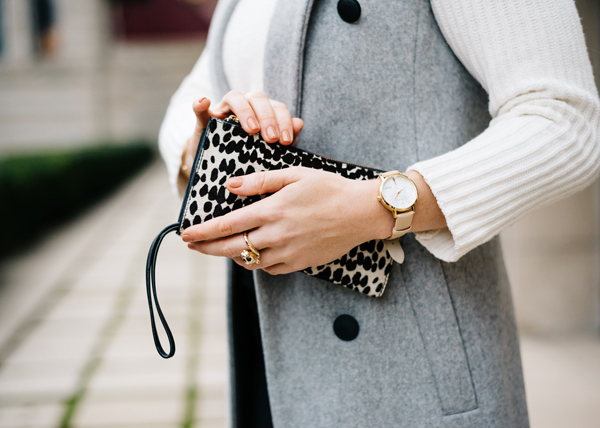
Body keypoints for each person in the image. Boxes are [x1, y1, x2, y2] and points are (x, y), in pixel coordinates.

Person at [159, 0, 600, 426]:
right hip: (274, 341)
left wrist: (375, 208)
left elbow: (565, 118)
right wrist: (201, 145)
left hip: (410, 364)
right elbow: (194, 94)